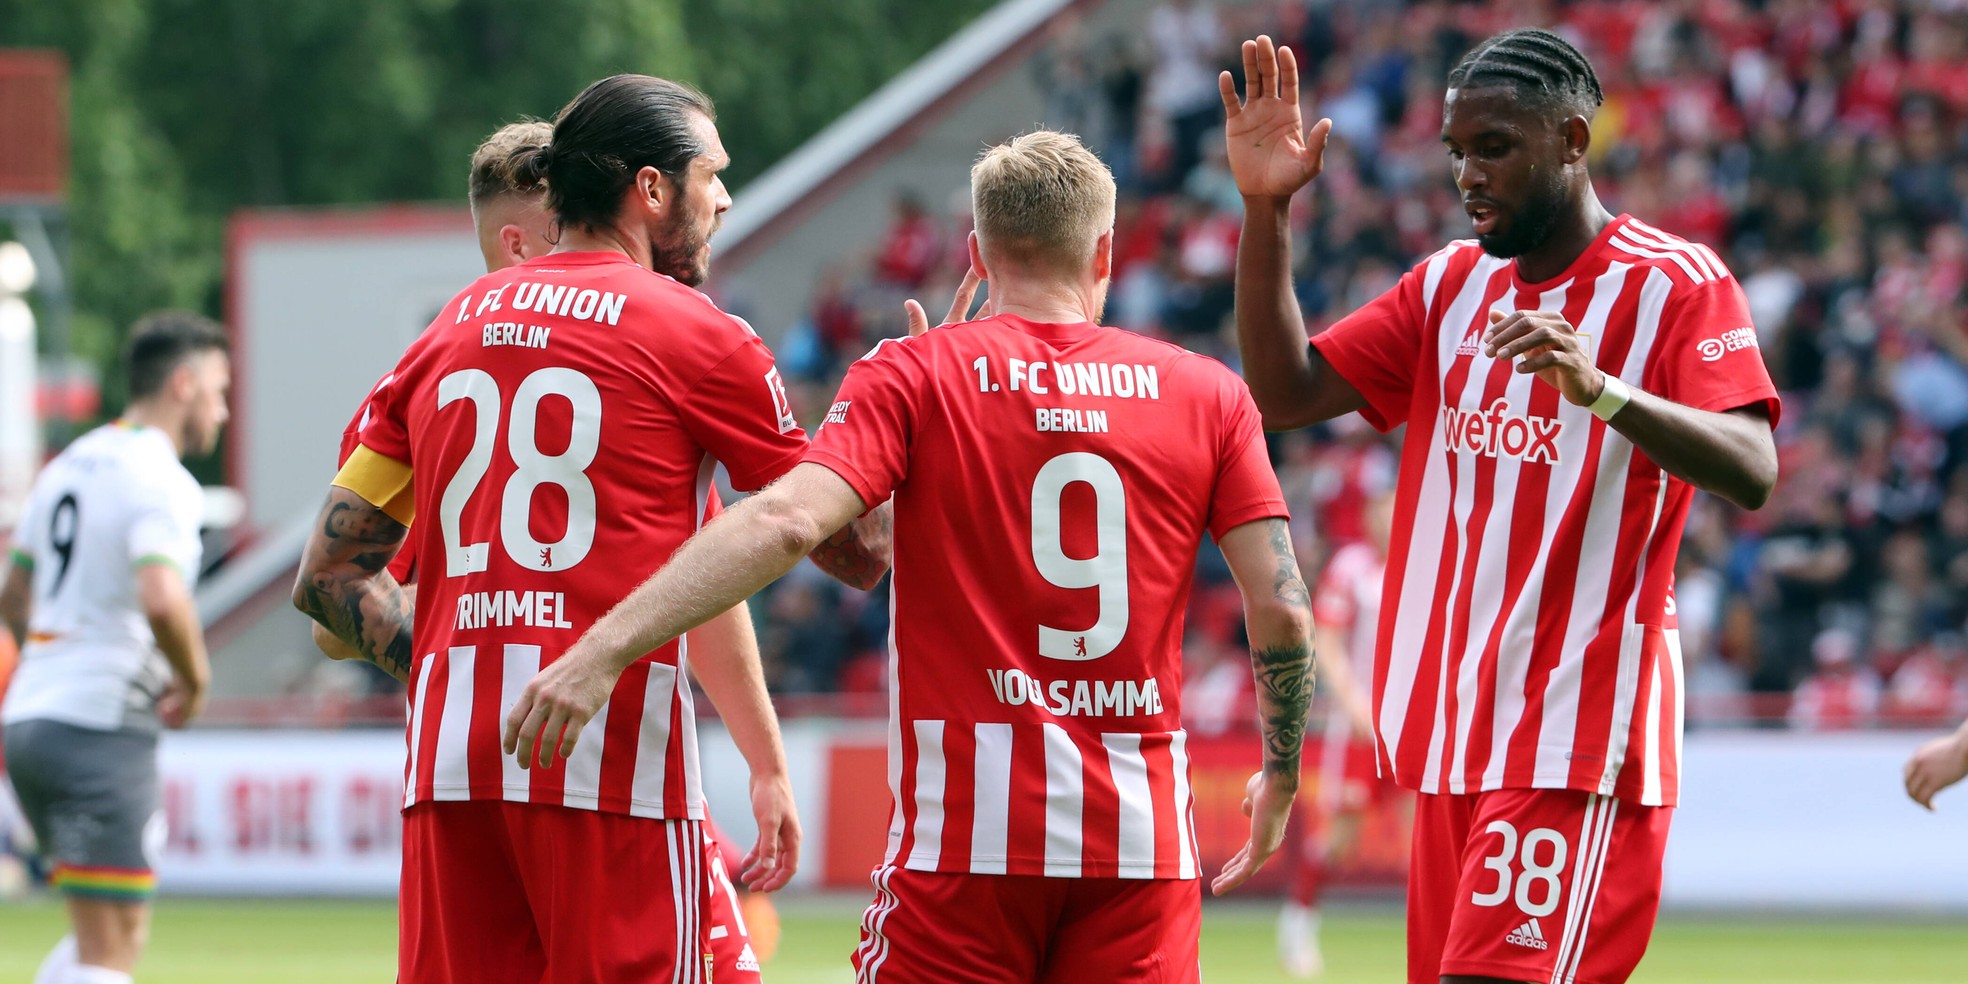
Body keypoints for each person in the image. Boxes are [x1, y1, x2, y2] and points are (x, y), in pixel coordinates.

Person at [503, 129, 1317, 984]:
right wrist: (1281, 772)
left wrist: (604, 646)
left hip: (964, 848)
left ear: (978, 253)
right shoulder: (1211, 393)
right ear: (1106, 251)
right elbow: (1282, 607)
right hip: (1141, 854)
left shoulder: (916, 375)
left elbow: (789, 521)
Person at [293, 74, 888, 982]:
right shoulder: (698, 335)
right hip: (609, 769)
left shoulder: (442, 335)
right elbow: (854, 551)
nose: (725, 197)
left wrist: (478, 663)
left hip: (452, 771)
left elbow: (327, 580)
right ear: (650, 190)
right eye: (711, 174)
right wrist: (904, 404)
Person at [1222, 31, 1780, 984]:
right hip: (1451, 736)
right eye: (1456, 151)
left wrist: (1603, 391)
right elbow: (1285, 394)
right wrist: (1267, 211)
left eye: (1495, 148)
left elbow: (1754, 467)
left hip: (1575, 729)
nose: (1468, 175)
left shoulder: (1676, 284)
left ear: (1572, 140)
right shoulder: (1449, 283)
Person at [2, 312, 231, 984]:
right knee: (114, 942)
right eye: (219, 391)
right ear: (184, 384)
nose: (222, 411)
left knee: (96, 934)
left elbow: (14, 594)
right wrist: (195, 681)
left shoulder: (68, 464)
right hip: (98, 724)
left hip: (31, 719)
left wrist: (51, 662)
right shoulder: (160, 477)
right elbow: (161, 596)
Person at [1278, 491, 1404, 979]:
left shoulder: (1421, 562)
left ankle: (1440, 939)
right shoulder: (1352, 568)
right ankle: (1298, 924)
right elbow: (1326, 642)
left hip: (1410, 728)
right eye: (1380, 510)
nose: (1387, 520)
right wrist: (1355, 707)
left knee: (1428, 838)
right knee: (1340, 839)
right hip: (1359, 729)